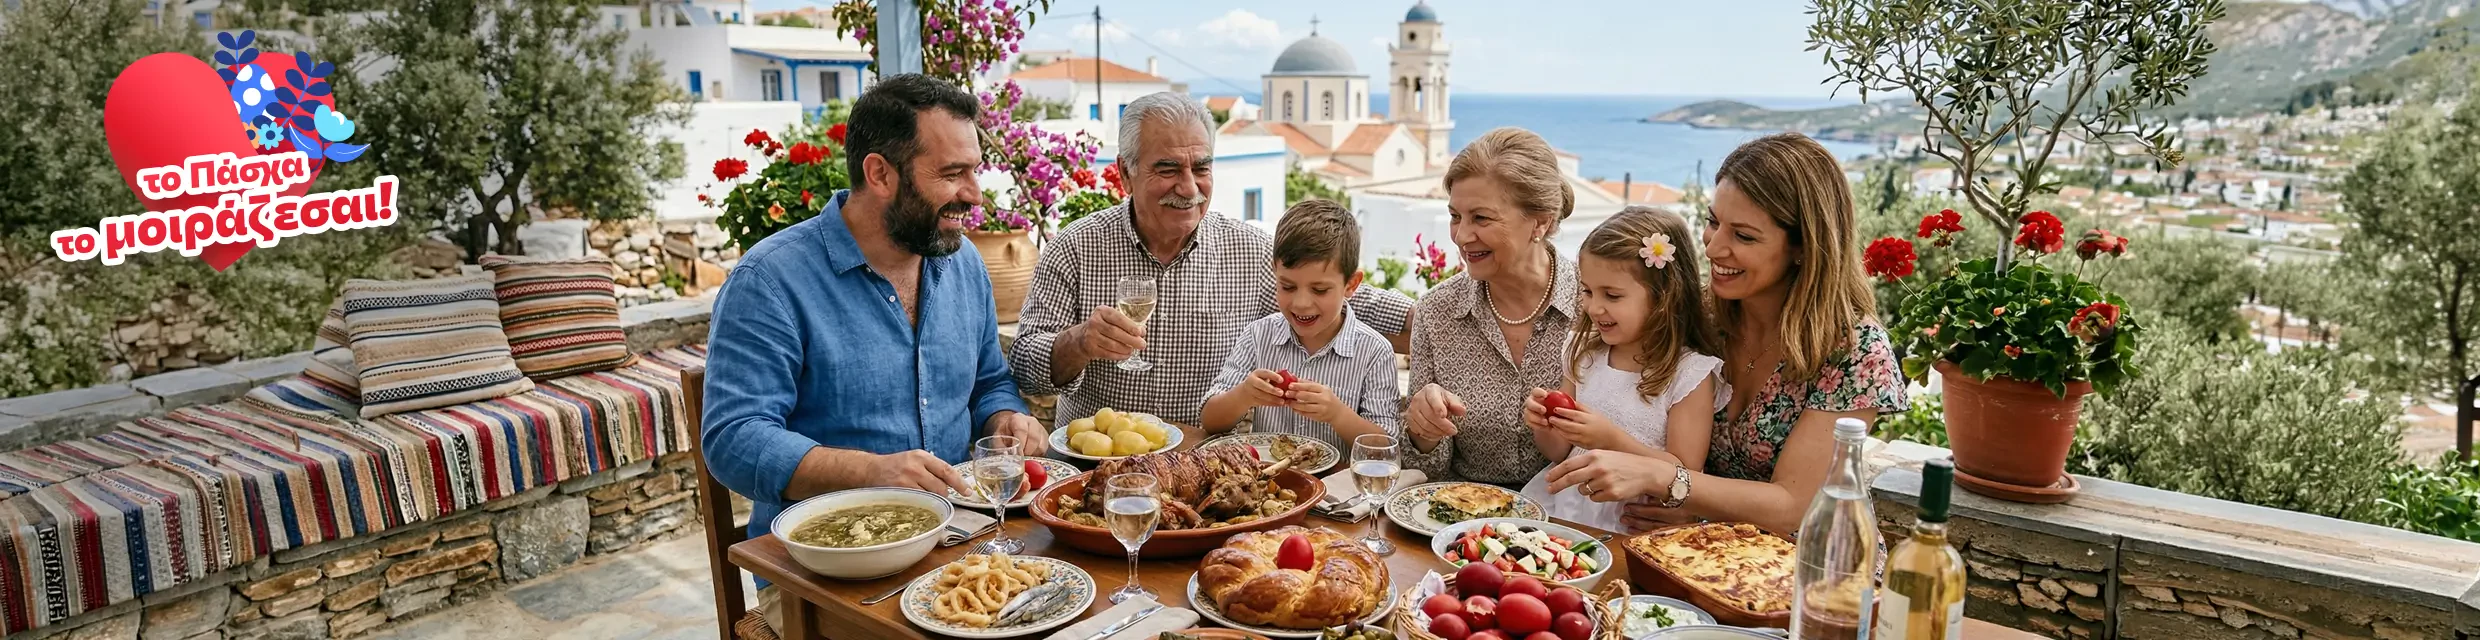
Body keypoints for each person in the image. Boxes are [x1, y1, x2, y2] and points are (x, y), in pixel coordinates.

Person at [699, 74, 1049, 631]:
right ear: (880, 173)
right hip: (822, 574)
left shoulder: (962, 265)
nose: (975, 195)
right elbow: (733, 440)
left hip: (962, 549)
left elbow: (989, 381)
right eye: (952, 173)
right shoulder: (770, 280)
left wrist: (1006, 415)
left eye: (974, 170)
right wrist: (872, 472)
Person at [1544, 132, 1908, 534]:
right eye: (1713, 222)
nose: (1714, 248)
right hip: (1693, 549)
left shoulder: (1855, 353)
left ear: (1804, 246)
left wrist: (1672, 485)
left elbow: (1792, 506)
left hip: (1810, 566)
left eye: (1744, 235)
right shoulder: (1696, 315)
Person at [1009, 92, 1414, 428]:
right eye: (1168, 169)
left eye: (1201, 167)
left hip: (1202, 473)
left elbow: (1342, 296)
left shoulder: (1248, 250)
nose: (1189, 187)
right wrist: (1079, 342)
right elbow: (1025, 364)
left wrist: (1437, 318)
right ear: (1125, 174)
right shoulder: (1077, 246)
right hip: (1097, 467)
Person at [1514, 206, 1725, 532]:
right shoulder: (1584, 353)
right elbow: (1559, 452)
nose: (1594, 307)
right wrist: (1545, 425)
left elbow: (1684, 472)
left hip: (1629, 524)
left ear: (1663, 297)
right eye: (1587, 291)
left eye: (1612, 295)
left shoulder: (1689, 375)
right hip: (1565, 512)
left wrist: (1610, 439)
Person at [1400, 127, 1580, 486]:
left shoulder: (1594, 309)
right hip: (1464, 520)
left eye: (1481, 218)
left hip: (1574, 525)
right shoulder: (1437, 312)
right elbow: (1427, 469)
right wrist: (1424, 432)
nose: (1462, 236)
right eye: (1455, 216)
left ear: (1540, 221)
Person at [1198, 198, 1403, 451]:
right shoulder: (1258, 336)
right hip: (1271, 486)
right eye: (1288, 286)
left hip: (1340, 486)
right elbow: (1210, 421)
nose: (1301, 303)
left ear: (1351, 285)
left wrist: (1337, 414)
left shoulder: (1373, 351)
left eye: (1319, 290)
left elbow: (1386, 446)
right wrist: (1243, 395)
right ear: (1274, 272)